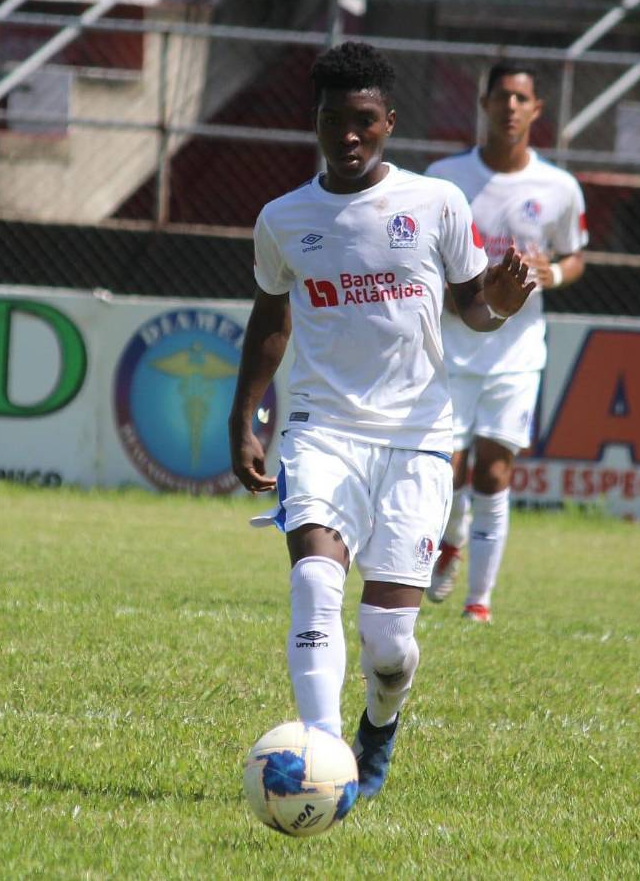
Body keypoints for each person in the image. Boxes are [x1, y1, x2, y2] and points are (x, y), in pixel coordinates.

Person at [228, 42, 534, 800]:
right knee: (313, 580)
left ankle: (379, 722)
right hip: (320, 429)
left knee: (390, 643)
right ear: (319, 124)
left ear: (389, 122)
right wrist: (247, 415)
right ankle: (320, 757)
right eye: (336, 121)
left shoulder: (436, 204)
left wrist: (499, 300)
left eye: (365, 121)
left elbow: (473, 311)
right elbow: (271, 318)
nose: (350, 136)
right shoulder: (283, 218)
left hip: (418, 440)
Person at [425, 61, 588, 622]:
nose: (511, 107)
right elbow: (421, 257)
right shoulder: (444, 179)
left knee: (494, 471)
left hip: (516, 352)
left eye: (522, 98)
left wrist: (555, 274)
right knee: (442, 471)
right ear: (485, 103)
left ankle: (479, 602)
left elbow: (575, 255)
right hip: (453, 345)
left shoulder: (558, 187)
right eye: (503, 96)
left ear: (537, 110)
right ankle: (450, 537)